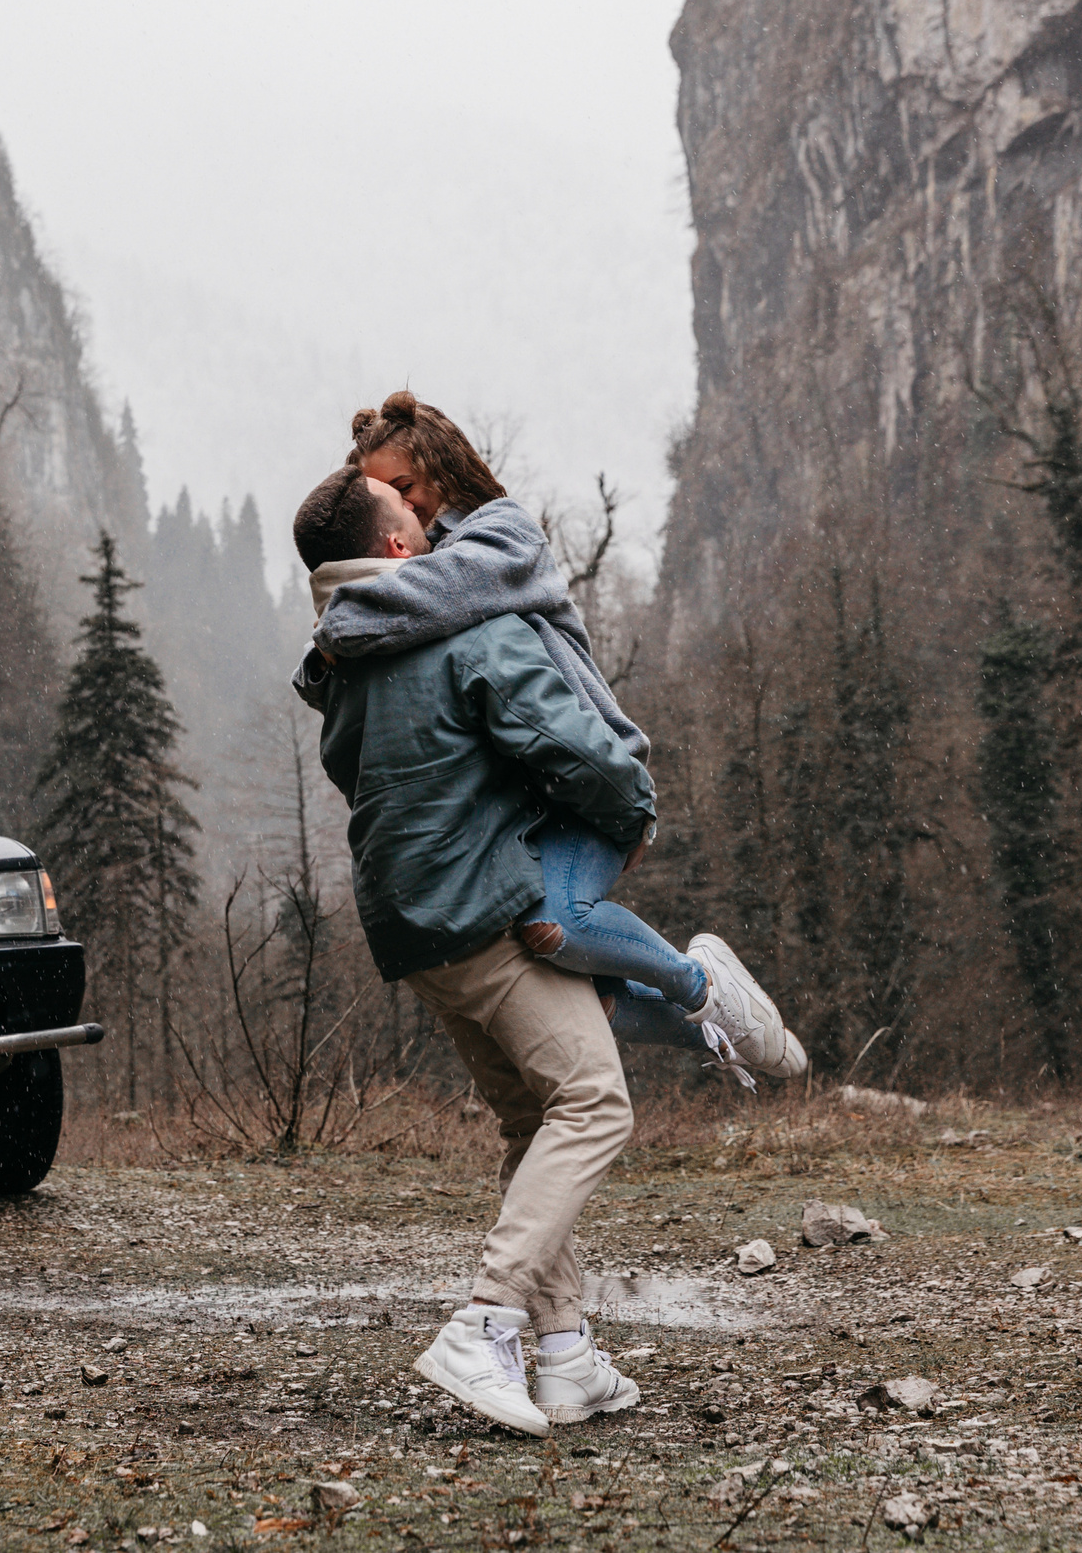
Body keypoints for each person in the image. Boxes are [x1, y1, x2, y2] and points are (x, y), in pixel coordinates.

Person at [290, 463, 645, 1434]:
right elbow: (571, 746)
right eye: (415, 513)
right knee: (593, 1104)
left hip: (410, 925)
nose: (435, 525)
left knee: (533, 1119)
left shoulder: (341, 655)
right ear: (399, 548)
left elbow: (354, 765)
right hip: (485, 910)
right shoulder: (467, 631)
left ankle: (565, 1352)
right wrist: (629, 808)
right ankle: (485, 1324)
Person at [308, 390, 806, 1081]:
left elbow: (430, 595)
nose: (406, 507)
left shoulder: (501, 537)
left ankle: (702, 984)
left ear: (443, 470)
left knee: (559, 927)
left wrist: (337, 614)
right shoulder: (410, 579)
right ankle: (715, 1038)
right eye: (387, 497)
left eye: (406, 486)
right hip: (532, 798)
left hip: (592, 767)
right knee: (580, 992)